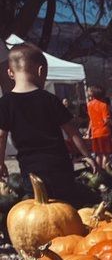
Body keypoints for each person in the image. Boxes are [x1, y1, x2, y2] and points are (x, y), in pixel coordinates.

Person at [0, 43, 96, 206]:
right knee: (66, 206)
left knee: (39, 208)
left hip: (31, 170)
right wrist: (87, 156)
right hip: (59, 165)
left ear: (10, 73)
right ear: (41, 71)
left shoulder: (5, 103)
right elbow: (72, 133)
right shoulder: (50, 99)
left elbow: (1, 136)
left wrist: (1, 163)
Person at [86, 85, 112, 169]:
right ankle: (105, 171)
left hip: (95, 133)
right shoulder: (103, 105)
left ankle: (99, 172)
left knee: (98, 155)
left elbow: (91, 119)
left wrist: (88, 131)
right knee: (106, 155)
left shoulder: (89, 105)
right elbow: (106, 120)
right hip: (104, 132)